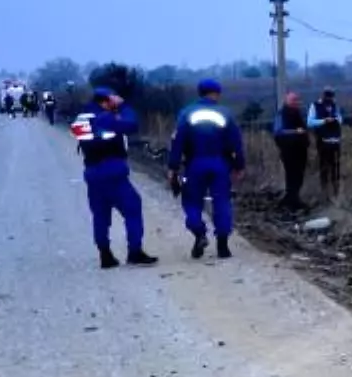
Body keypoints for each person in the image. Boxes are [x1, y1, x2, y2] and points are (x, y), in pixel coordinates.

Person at [71, 87, 158, 269]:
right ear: (106, 101)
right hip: (112, 168)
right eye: (112, 100)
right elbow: (131, 125)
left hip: (92, 171)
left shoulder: (82, 118)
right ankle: (135, 252)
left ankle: (105, 254)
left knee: (100, 214)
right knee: (133, 207)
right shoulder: (105, 117)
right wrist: (123, 106)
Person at [166, 78, 245, 260]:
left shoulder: (186, 113)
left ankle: (199, 233)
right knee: (222, 202)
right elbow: (236, 143)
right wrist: (239, 166)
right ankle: (223, 246)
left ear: (200, 93)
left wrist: (173, 167)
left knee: (192, 202)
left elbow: (177, 142)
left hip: (195, 164)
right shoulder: (225, 113)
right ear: (216, 93)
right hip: (220, 164)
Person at [273, 91, 310, 211]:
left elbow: (304, 129)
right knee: (292, 175)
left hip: (300, 150)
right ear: (286, 100)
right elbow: (278, 132)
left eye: (297, 100)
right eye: (293, 100)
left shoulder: (297, 113)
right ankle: (291, 201)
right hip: (289, 151)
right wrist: (295, 132)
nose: (296, 102)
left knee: (299, 176)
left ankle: (294, 199)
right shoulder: (282, 114)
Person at [307, 86, 343, 197]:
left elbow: (340, 119)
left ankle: (336, 192)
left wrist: (336, 120)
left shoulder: (335, 106)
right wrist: (324, 121)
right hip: (323, 141)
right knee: (324, 167)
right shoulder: (315, 106)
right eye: (328, 96)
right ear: (323, 95)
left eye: (331, 96)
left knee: (335, 167)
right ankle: (325, 192)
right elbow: (310, 122)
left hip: (335, 141)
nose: (329, 98)